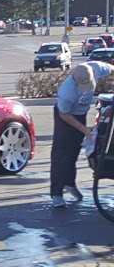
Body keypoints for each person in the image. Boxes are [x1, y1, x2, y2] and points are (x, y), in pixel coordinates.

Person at [51, 61, 114, 207]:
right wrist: (84, 129)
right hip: (66, 117)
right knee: (61, 154)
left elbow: (111, 69)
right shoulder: (67, 91)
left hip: (80, 113)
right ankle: (56, 194)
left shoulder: (97, 67)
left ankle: (69, 183)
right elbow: (64, 115)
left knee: (74, 151)